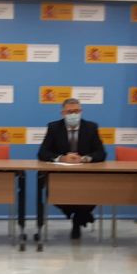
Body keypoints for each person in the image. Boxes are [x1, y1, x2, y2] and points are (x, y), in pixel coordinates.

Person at [38, 98, 106, 239]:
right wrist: (61, 158)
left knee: (94, 192)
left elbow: (101, 153)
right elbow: (42, 153)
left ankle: (78, 218)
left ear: (81, 112)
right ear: (63, 113)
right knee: (54, 192)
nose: (73, 114)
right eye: (70, 112)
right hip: (60, 176)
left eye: (76, 111)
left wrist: (84, 158)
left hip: (86, 177)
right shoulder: (54, 127)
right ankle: (81, 216)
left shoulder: (91, 127)